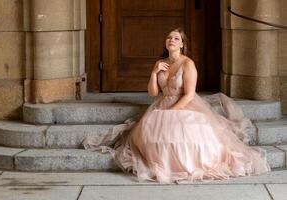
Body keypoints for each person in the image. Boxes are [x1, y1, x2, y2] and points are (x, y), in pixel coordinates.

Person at [83, 28, 270, 183]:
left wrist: (171, 112)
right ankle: (159, 162)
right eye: (169, 37)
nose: (171, 40)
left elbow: (189, 94)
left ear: (182, 44)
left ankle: (183, 165)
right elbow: (153, 93)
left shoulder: (188, 64)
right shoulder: (160, 63)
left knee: (185, 132)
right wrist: (154, 73)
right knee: (147, 130)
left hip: (185, 104)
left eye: (176, 38)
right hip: (163, 101)